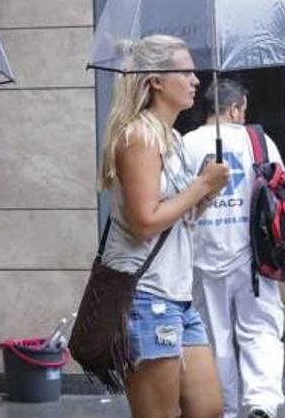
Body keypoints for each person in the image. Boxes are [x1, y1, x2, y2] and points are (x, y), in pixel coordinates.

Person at [97, 35, 230, 418]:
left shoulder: (171, 138)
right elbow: (144, 222)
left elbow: (177, 217)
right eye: (185, 72)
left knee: (207, 409)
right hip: (145, 296)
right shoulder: (140, 135)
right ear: (155, 80)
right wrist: (201, 186)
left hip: (175, 297)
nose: (195, 81)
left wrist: (203, 195)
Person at [183, 79, 285, 418]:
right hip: (254, 257)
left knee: (214, 338)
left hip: (202, 256)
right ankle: (262, 404)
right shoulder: (259, 141)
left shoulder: (185, 144)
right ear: (234, 108)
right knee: (261, 330)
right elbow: (281, 192)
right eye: (242, 110)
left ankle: (223, 409)